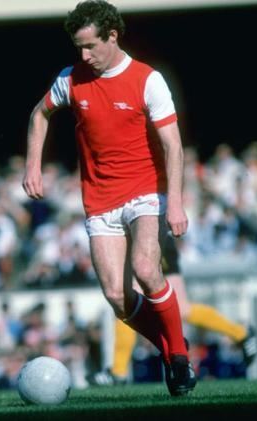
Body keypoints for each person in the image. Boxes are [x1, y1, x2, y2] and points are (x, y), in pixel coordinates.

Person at [23, 0, 196, 396]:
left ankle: (180, 363)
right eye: (78, 48)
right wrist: (33, 164)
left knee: (147, 270)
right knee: (117, 298)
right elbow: (39, 114)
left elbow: (173, 147)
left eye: (90, 46)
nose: (84, 56)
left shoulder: (147, 80)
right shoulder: (71, 78)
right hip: (99, 199)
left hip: (145, 192)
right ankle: (173, 348)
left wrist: (176, 201)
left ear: (112, 36)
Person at [87, 234, 257, 385]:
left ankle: (118, 372)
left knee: (129, 301)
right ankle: (241, 333)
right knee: (177, 308)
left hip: (145, 236)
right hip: (149, 236)